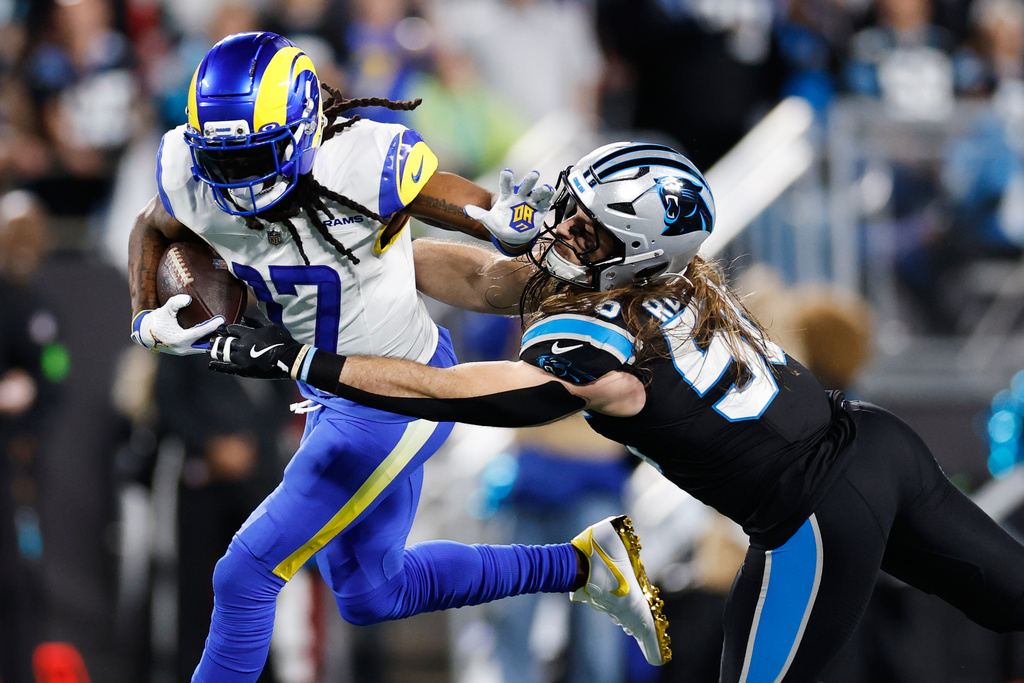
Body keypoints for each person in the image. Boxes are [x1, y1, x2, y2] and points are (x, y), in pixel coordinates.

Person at [211, 141, 1024, 682]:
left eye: (588, 229)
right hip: (879, 442)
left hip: (814, 516)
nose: (565, 229)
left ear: (632, 252)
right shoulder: (658, 278)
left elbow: (454, 389)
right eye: (573, 209)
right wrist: (350, 273)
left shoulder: (598, 336)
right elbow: (485, 276)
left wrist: (307, 359)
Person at [127, 32, 668, 682]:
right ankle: (586, 565)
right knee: (370, 592)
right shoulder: (191, 171)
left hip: (398, 394)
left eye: (257, 156)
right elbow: (151, 227)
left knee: (244, 573)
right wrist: (142, 313)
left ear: (304, 129)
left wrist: (505, 215)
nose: (240, 181)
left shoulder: (362, 162)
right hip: (331, 392)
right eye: (226, 160)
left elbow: (463, 204)